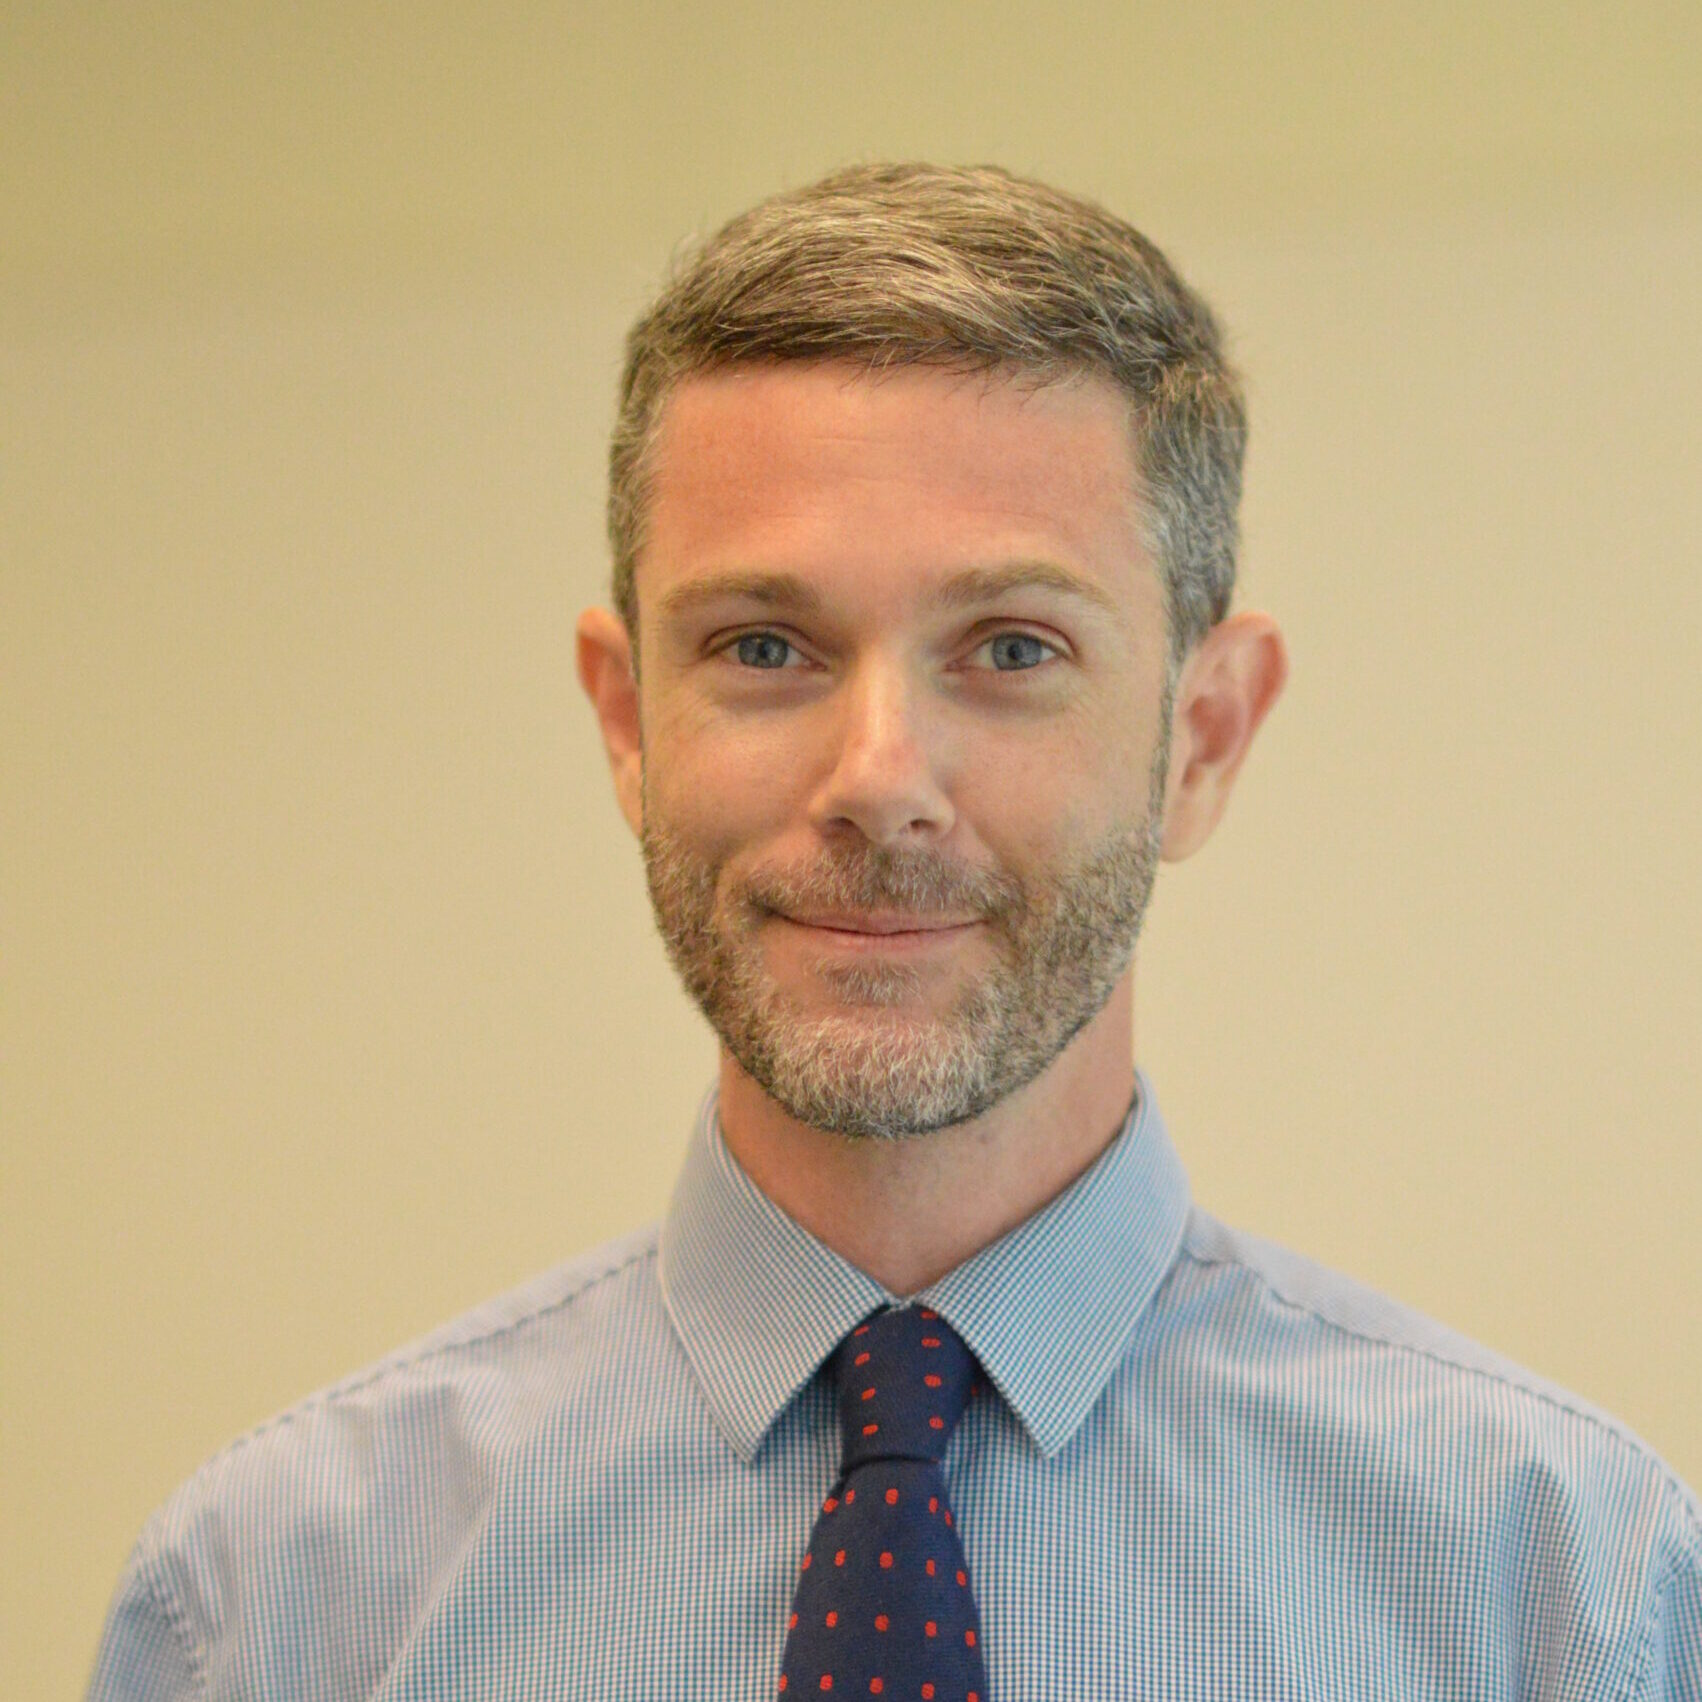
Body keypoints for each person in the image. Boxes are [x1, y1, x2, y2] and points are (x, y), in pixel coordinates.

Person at [89, 162, 1700, 1700]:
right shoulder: (276, 1605)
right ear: (624, 718)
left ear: (1201, 735)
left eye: (1007, 646)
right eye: (765, 643)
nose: (876, 781)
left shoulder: (1559, 1590)